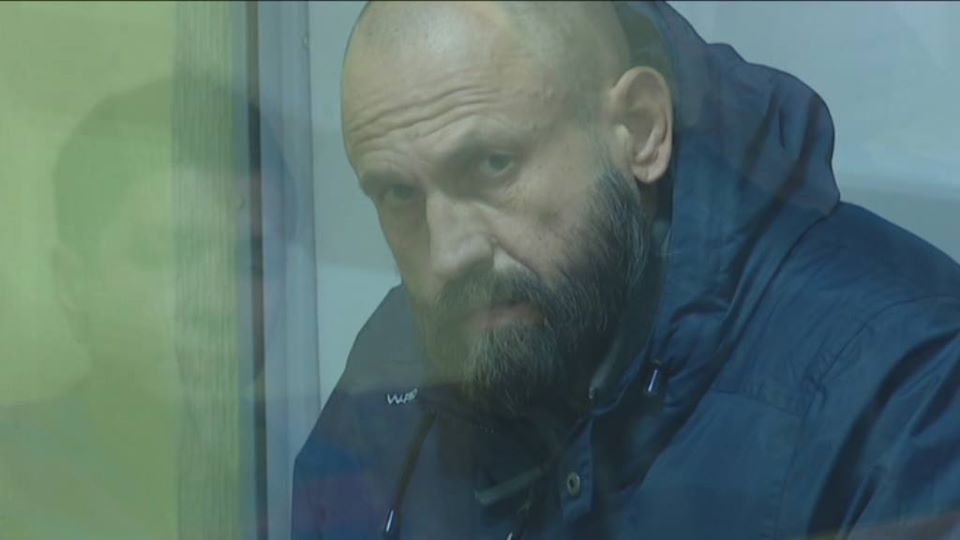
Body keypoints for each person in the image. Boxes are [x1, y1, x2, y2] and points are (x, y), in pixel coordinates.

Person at [292, 2, 960, 538]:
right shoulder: (392, 372)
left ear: (641, 131)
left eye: (493, 165)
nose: (447, 254)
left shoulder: (903, 384)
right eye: (398, 194)